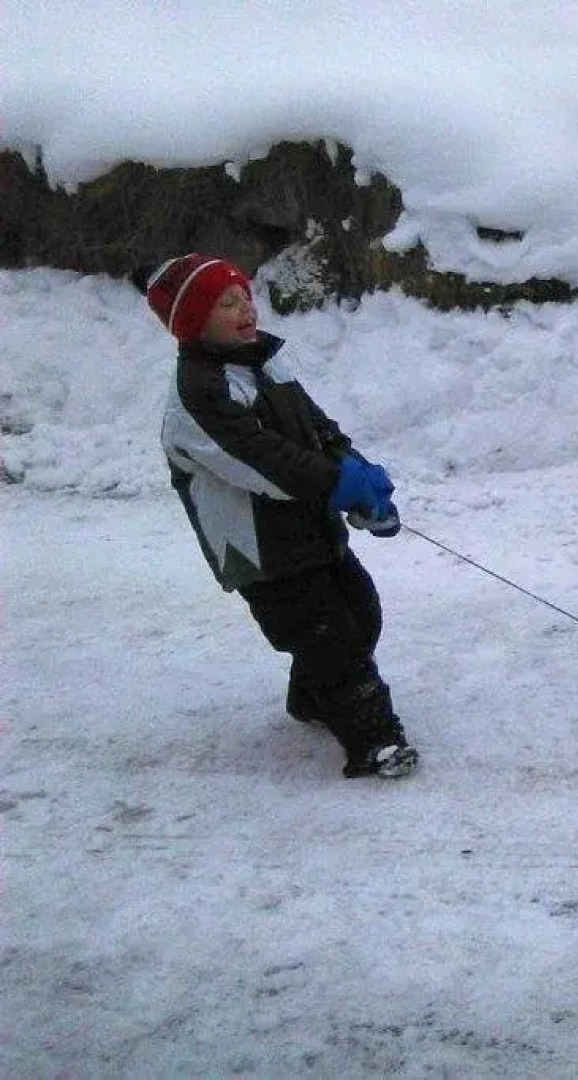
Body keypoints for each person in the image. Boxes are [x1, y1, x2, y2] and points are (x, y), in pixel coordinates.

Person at [136, 253, 418, 779]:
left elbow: (314, 428)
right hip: (259, 548)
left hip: (307, 526)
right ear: (194, 320)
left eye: (245, 295)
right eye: (227, 302)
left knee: (360, 612)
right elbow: (263, 461)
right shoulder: (199, 397)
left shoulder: (262, 361)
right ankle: (374, 740)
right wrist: (336, 484)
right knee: (329, 637)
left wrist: (354, 469)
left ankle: (314, 696)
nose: (245, 308)